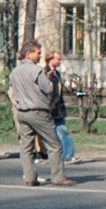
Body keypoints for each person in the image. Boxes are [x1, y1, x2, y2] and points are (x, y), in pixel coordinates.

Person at [11, 40, 75, 188]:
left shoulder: (14, 72)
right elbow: (48, 89)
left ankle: (30, 177)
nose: (40, 56)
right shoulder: (36, 71)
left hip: (22, 111)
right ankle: (58, 177)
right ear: (29, 54)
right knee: (54, 145)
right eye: (38, 53)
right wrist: (49, 78)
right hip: (38, 111)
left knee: (26, 147)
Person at [45, 50, 77, 164]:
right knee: (59, 132)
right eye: (58, 59)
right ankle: (66, 156)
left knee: (62, 131)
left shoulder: (57, 74)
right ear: (51, 59)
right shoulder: (45, 73)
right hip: (50, 108)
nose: (59, 61)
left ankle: (65, 155)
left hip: (58, 108)